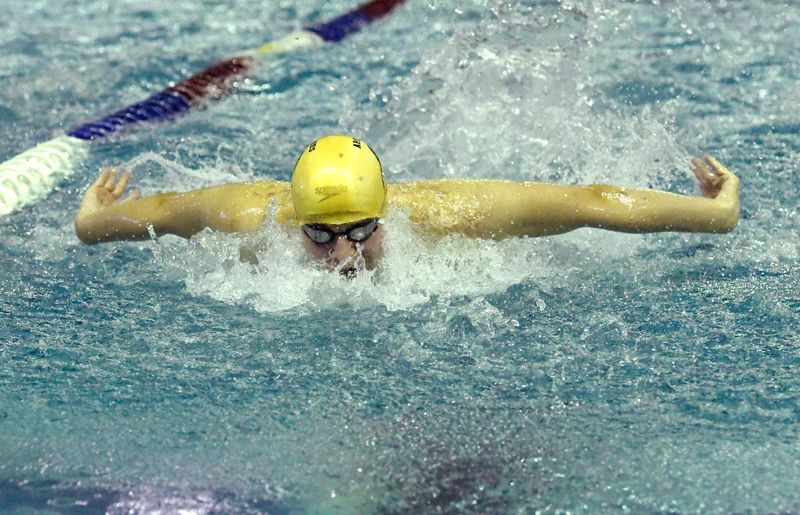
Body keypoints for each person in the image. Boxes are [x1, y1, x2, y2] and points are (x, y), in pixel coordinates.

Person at [75, 134, 740, 277]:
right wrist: (91, 220)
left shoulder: (448, 215)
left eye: (363, 229)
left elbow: (589, 202)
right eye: (321, 235)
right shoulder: (250, 215)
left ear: (388, 213)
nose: (345, 255)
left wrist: (717, 213)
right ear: (294, 221)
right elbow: (157, 212)